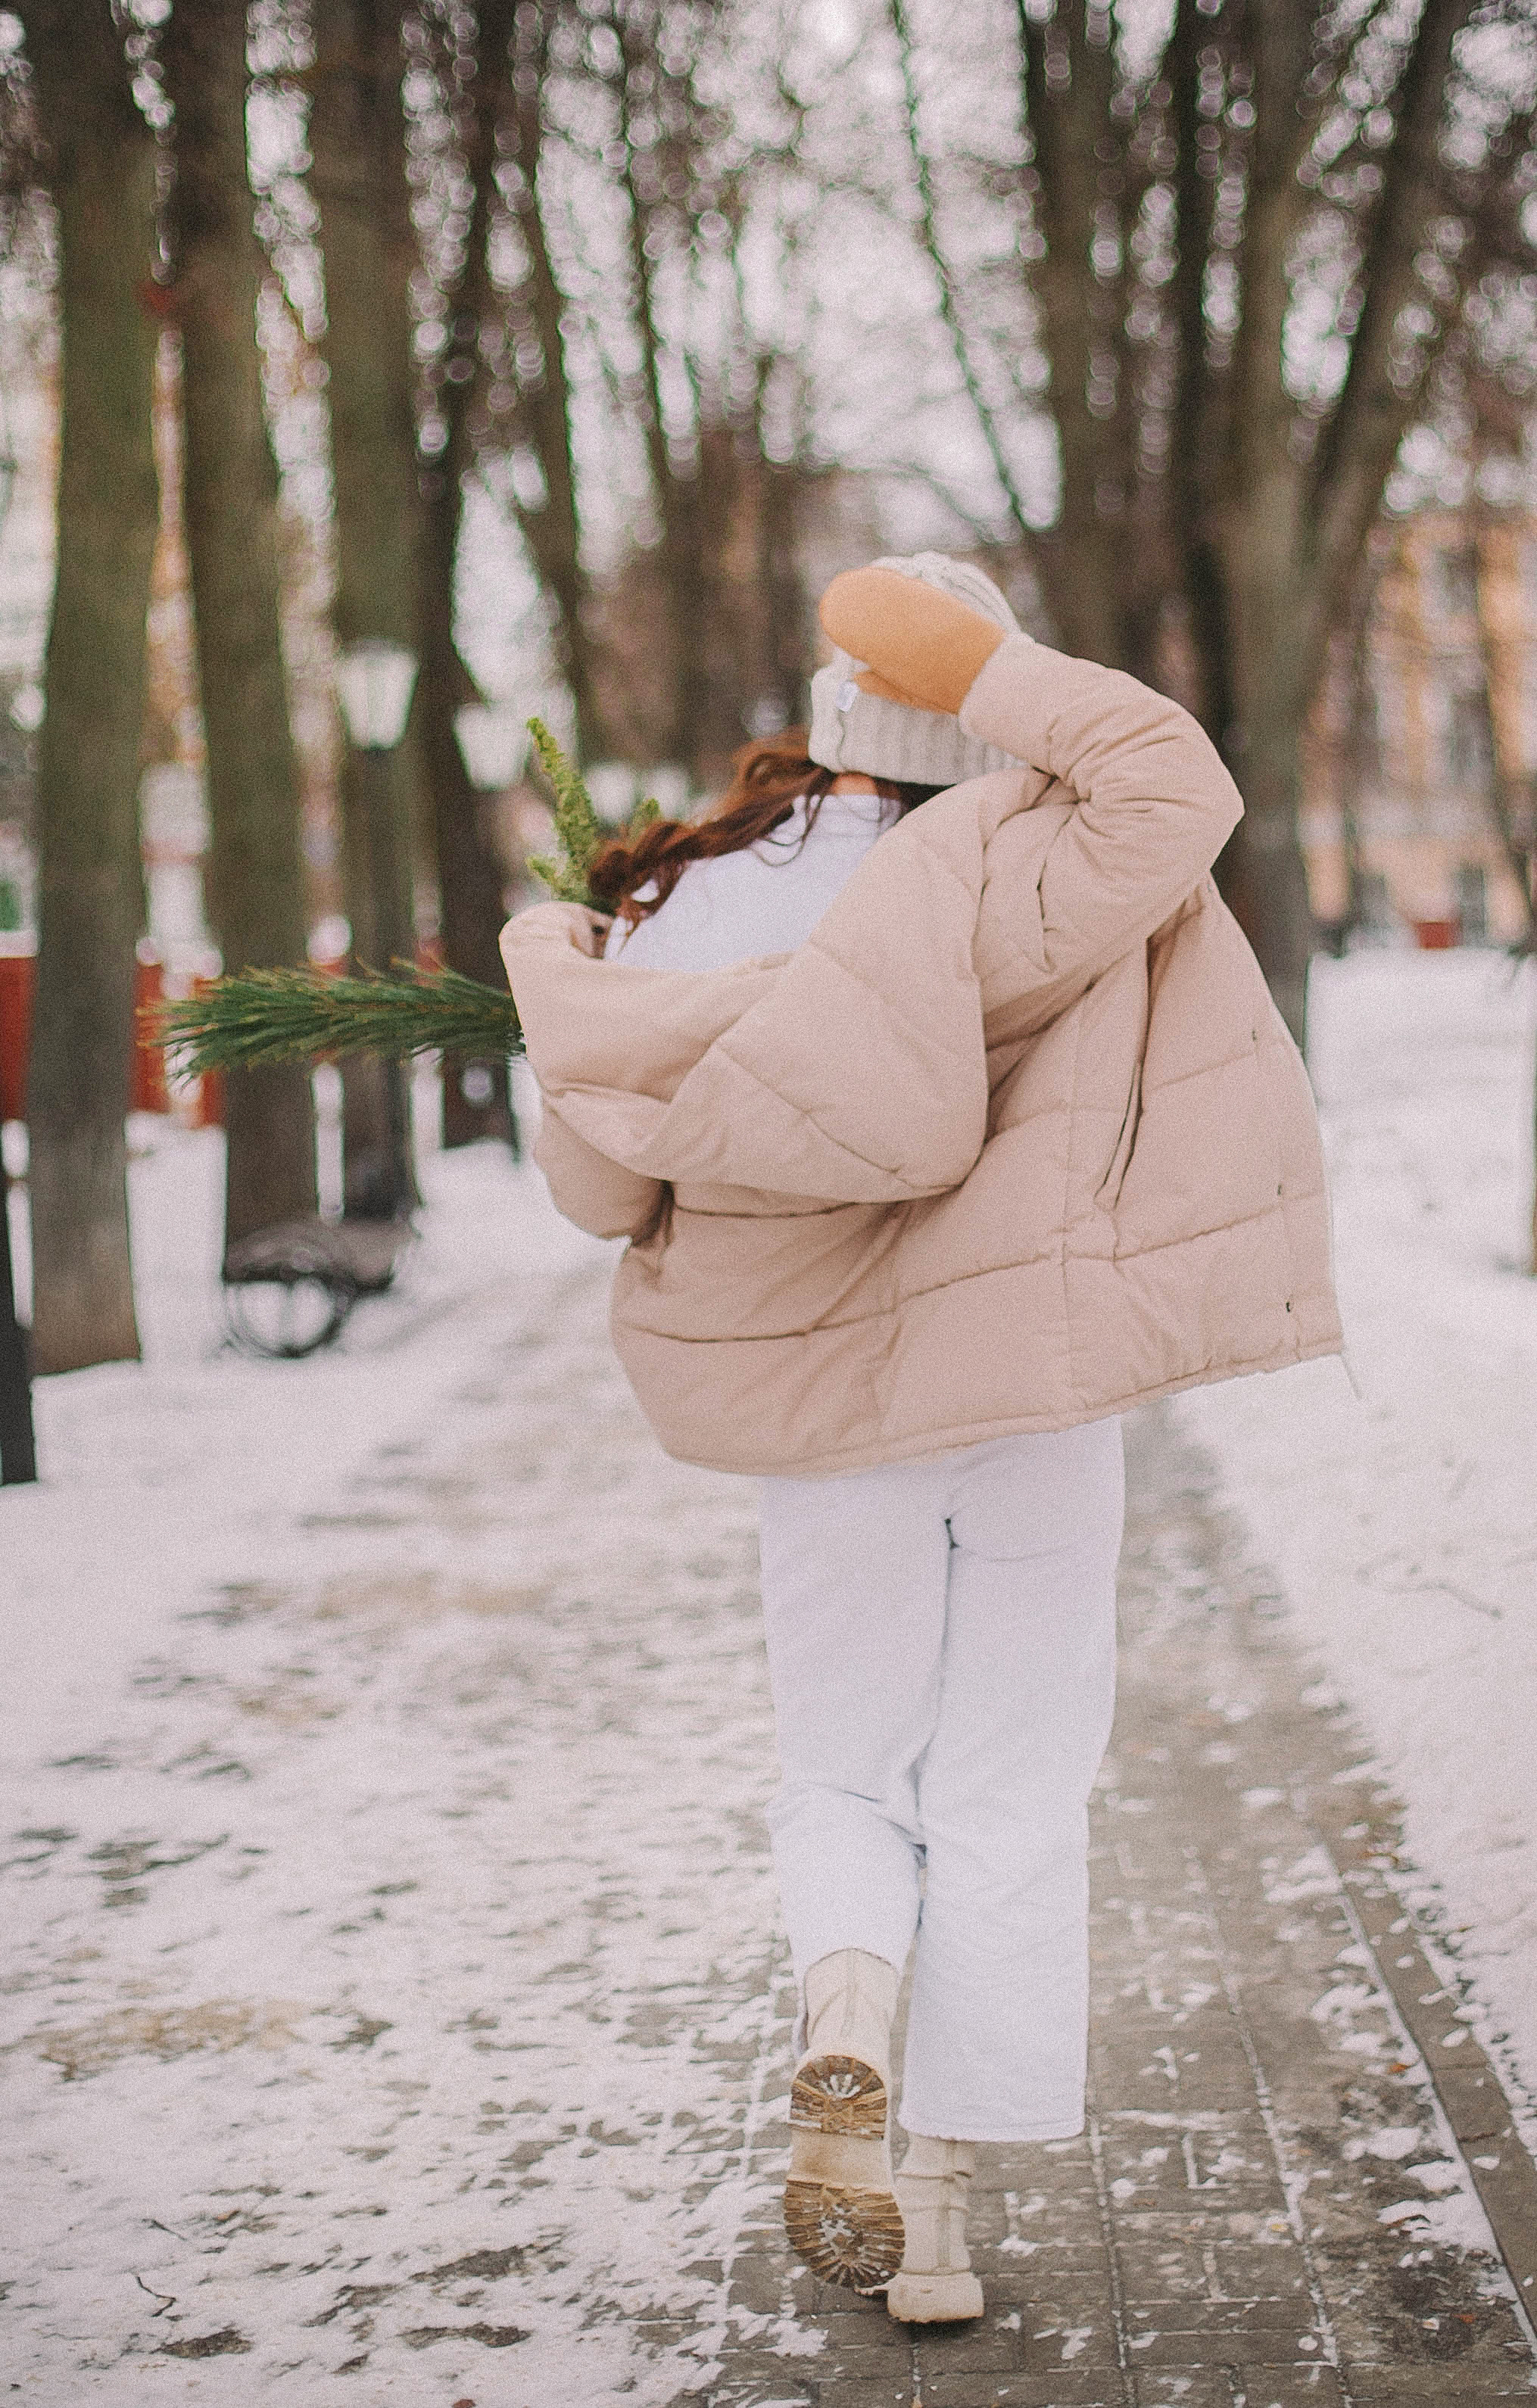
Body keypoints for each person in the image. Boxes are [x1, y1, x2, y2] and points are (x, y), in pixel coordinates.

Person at [500, 553, 1341, 2324]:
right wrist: (1003, 667)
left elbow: (595, 1179)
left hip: (816, 1416)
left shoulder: (688, 903)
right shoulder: (1037, 867)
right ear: (977, 689)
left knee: (843, 1771)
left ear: (829, 709)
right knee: (1012, 1785)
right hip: (1025, 1393)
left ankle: (848, 2018)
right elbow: (1178, 778)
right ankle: (937, 2218)